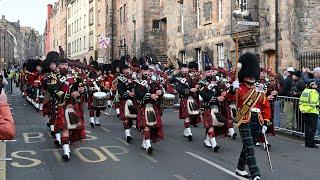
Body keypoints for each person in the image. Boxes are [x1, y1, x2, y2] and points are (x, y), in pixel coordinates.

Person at [227, 52, 271, 180]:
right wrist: (231, 89)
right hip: (244, 119)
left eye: (253, 75)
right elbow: (229, 98)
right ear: (244, 75)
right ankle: (255, 174)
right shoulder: (239, 88)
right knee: (250, 148)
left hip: (258, 120)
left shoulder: (259, 90)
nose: (252, 77)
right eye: (249, 74)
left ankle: (240, 168)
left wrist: (266, 122)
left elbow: (266, 106)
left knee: (248, 145)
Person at [299, 81, 319, 148]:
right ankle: (311, 144)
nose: (316, 85)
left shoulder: (305, 91)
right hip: (312, 112)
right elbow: (314, 104)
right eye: (314, 84)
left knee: (307, 128)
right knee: (312, 129)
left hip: (305, 112)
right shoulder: (314, 92)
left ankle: (307, 143)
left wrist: (303, 110)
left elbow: (300, 102)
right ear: (312, 85)